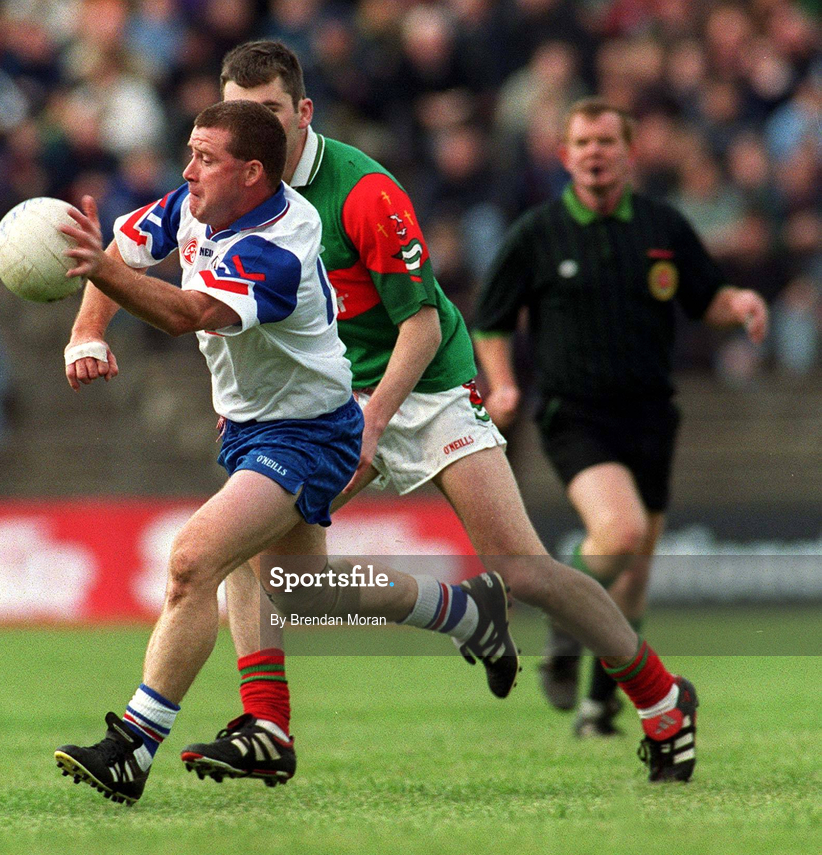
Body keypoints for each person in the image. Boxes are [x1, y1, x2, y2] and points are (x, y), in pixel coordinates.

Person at [179, 41, 700, 787]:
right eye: (239, 113)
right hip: (323, 398)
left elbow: (420, 325)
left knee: (522, 570)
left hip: (424, 384)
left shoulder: (362, 189)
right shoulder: (225, 195)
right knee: (258, 558)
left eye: (269, 113)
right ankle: (272, 722)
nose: (255, 129)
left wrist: (375, 418)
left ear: (303, 112)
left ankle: (661, 698)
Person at [52, 99, 519, 806]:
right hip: (252, 426)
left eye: (205, 159)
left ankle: (136, 746)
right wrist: (87, 331)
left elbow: (188, 314)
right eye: (190, 152)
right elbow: (120, 249)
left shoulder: (282, 241)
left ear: (252, 173)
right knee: (306, 587)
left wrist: (99, 274)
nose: (188, 170)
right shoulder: (194, 203)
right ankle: (464, 613)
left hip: (308, 434)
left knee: (192, 560)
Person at [473, 97, 768, 737]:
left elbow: (704, 298)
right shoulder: (538, 232)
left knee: (633, 579)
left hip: (652, 414)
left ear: (629, 153)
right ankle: (562, 623)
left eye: (606, 142)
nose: (594, 153)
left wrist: (738, 300)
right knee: (622, 532)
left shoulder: (663, 226)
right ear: (565, 155)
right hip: (574, 411)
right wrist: (502, 385)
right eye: (582, 143)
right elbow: (490, 322)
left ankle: (597, 706)